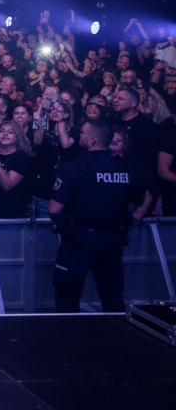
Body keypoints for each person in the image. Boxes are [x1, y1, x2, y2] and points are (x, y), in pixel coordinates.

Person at [49, 120, 143, 313]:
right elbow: (131, 206)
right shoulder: (125, 168)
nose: (79, 135)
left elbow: (53, 208)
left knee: (67, 295)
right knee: (112, 295)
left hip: (79, 238)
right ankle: (118, 339)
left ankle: (66, 339)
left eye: (82, 133)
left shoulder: (75, 168)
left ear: (92, 140)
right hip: (112, 238)